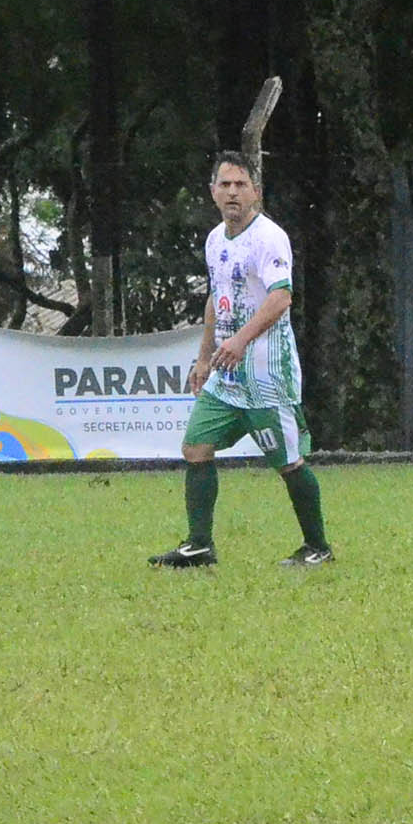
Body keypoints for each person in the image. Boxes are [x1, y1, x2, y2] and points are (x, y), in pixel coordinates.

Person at [150, 154, 332, 568]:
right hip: (226, 377)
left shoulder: (269, 237)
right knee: (195, 446)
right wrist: (204, 358)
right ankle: (199, 545)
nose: (233, 192)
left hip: (268, 375)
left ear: (255, 192)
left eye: (241, 184)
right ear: (213, 192)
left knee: (288, 462)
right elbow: (217, 298)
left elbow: (281, 297)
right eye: (225, 184)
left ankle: (317, 546)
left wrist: (240, 342)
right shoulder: (215, 240)